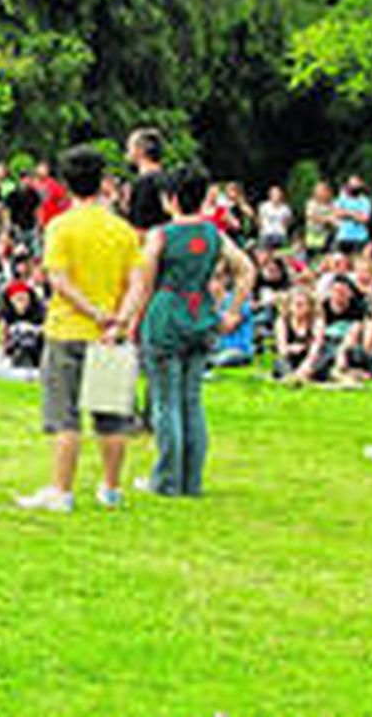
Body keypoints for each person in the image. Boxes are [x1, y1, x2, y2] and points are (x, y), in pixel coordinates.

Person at [16, 144, 142, 513]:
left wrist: (94, 312)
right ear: (103, 182)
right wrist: (120, 320)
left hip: (69, 330)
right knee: (111, 418)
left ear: (66, 183)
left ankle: (62, 491)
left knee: (65, 417)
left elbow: (59, 280)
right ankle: (111, 489)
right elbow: (137, 282)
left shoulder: (60, 226)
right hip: (110, 336)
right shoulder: (122, 230)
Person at [124, 166, 256, 498]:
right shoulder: (214, 234)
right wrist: (232, 311)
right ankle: (191, 480)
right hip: (201, 317)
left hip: (166, 317)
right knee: (192, 402)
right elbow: (246, 270)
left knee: (166, 403)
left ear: (171, 199)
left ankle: (166, 481)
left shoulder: (160, 235)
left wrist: (131, 323)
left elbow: (144, 286)